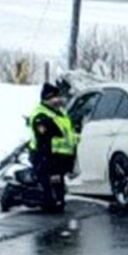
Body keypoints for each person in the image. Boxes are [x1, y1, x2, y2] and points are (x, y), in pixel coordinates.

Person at [28, 82, 78, 212]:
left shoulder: (60, 113)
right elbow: (44, 140)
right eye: (53, 98)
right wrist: (48, 159)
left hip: (59, 156)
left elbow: (67, 133)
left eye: (58, 97)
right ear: (46, 99)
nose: (57, 100)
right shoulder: (41, 116)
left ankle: (57, 202)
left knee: (58, 188)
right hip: (45, 156)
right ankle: (50, 204)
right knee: (49, 188)